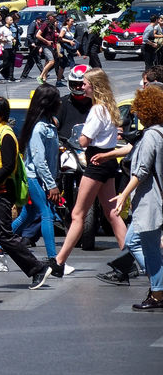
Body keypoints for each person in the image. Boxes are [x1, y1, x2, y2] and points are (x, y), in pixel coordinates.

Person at [51, 68, 127, 276]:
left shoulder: (97, 110)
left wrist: (82, 136)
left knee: (77, 214)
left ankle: (59, 261)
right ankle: (131, 257)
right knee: (111, 213)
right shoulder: (109, 107)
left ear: (95, 86)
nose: (82, 87)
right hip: (109, 159)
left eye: (85, 83)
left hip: (95, 161)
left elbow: (84, 139)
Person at [0, 96, 52, 289]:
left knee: (4, 235)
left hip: (1, 192)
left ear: (1, 114)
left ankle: (37, 268)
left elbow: (9, 166)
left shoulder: (5, 135)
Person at [111, 85, 163, 311]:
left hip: (151, 201)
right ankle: (157, 285)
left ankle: (158, 293)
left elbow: (141, 171)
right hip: (153, 200)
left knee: (149, 248)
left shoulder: (152, 135)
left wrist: (122, 194)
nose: (137, 113)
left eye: (139, 108)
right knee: (133, 240)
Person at [11, 84, 62, 266]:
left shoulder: (50, 124)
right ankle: (53, 259)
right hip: (35, 177)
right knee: (46, 214)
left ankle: (0, 246)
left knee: (27, 215)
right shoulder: (39, 127)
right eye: (56, 99)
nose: (59, 102)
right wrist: (51, 185)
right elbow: (39, 161)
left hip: (43, 178)